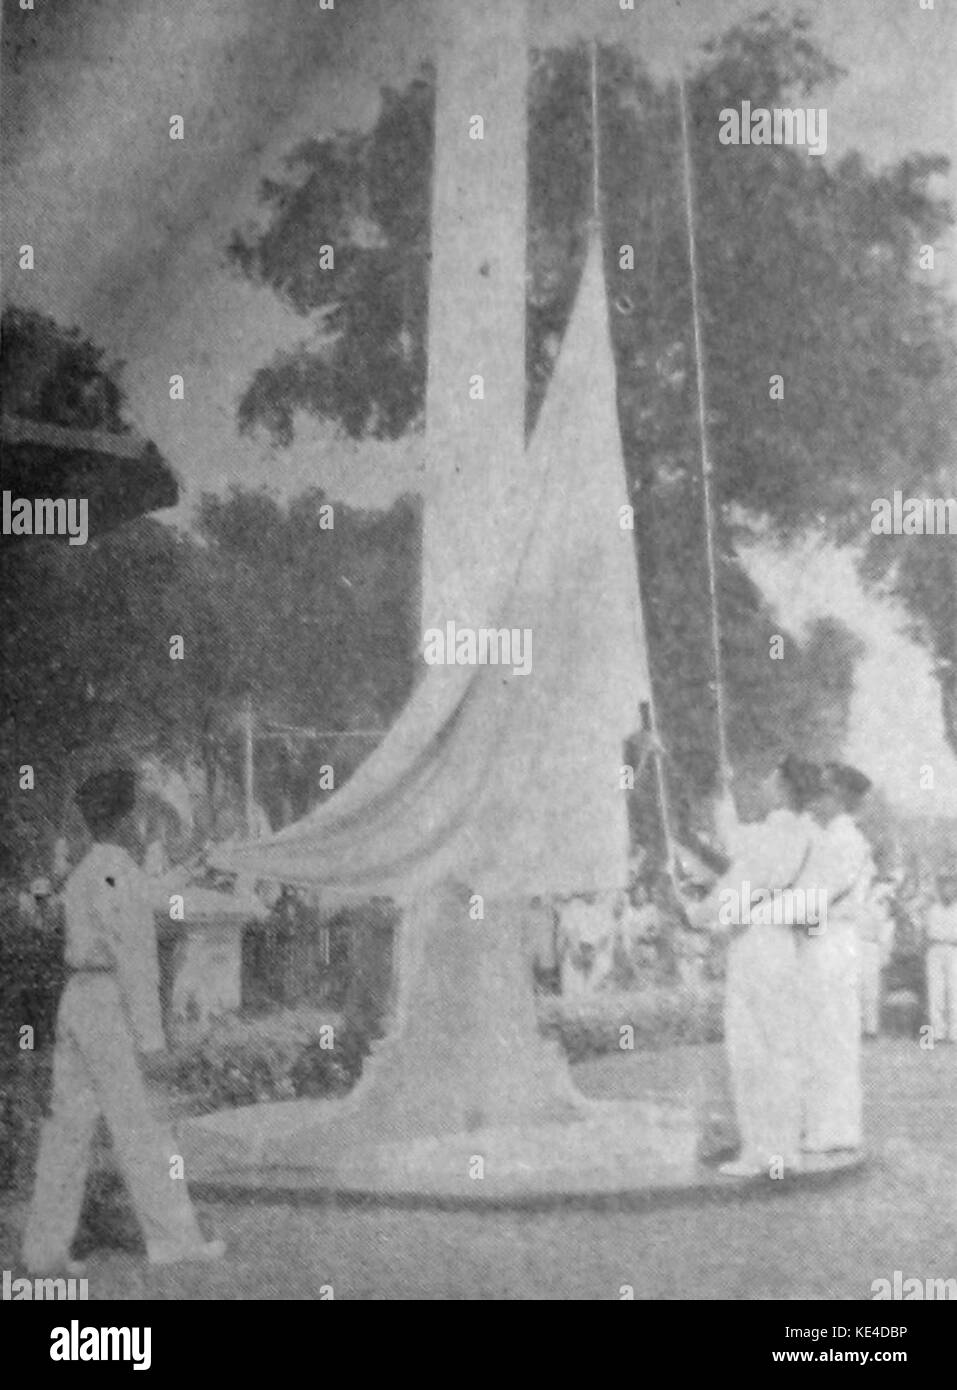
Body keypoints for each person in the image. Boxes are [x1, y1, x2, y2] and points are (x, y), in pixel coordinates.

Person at [22, 769, 224, 1274]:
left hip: (77, 998)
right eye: (138, 813)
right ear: (128, 816)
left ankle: (44, 1251)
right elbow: (136, 956)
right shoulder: (119, 872)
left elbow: (138, 897)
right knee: (144, 1126)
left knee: (68, 1126)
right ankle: (175, 1240)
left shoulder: (91, 869)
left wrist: (191, 869)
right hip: (108, 1003)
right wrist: (152, 1040)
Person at [692, 755, 821, 1178]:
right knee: (781, 1047)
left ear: (783, 787)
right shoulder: (802, 832)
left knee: (749, 1047)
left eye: (770, 776)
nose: (763, 781)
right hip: (781, 943)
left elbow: (738, 881)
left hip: (756, 942)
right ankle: (783, 1149)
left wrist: (700, 914)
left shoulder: (773, 834)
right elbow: (734, 841)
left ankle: (759, 1151)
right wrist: (722, 795)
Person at [797, 762, 875, 1157]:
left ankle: (829, 1129)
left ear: (841, 798)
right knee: (828, 1033)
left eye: (825, 791)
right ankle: (831, 1126)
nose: (817, 798)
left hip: (830, 939)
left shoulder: (843, 840)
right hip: (830, 940)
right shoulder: (833, 836)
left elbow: (812, 899)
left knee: (827, 1034)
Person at [858, 877, 896, 1038]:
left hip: (872, 945)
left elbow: (886, 930)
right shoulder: (859, 897)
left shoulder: (883, 902)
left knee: (871, 989)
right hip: (854, 943)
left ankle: (870, 1029)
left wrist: (884, 955)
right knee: (855, 987)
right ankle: (857, 1027)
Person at [925, 868, 957, 1044]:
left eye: (951, 885)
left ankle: (954, 1034)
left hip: (954, 950)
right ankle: (933, 1035)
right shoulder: (932, 908)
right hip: (935, 949)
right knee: (935, 992)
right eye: (944, 885)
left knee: (954, 991)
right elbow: (926, 931)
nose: (948, 889)